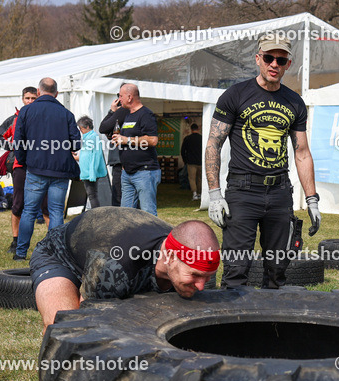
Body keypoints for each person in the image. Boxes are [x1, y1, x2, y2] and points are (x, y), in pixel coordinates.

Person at [206, 32, 321, 289]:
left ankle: (272, 328)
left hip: (280, 192)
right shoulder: (235, 95)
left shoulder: (295, 102)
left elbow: (301, 152)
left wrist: (312, 199)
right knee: (236, 270)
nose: (274, 65)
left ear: (288, 64)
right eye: (269, 58)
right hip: (243, 191)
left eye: (280, 60)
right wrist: (214, 194)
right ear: (258, 58)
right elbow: (214, 142)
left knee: (277, 271)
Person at [30, 207, 219, 330]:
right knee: (66, 327)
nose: (201, 286)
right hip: (60, 254)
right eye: (194, 275)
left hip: (105, 251)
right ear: (170, 257)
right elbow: (87, 325)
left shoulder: (199, 262)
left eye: (207, 277)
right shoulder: (114, 268)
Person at [13, 77, 80, 260]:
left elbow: (18, 142)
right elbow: (76, 144)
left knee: (29, 211)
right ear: (56, 93)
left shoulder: (26, 111)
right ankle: (55, 253)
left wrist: (24, 161)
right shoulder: (66, 114)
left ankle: (20, 252)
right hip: (60, 170)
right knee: (56, 212)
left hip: (35, 169)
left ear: (38, 91)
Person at [0, 87, 48, 255]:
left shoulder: (44, 117)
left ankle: (53, 241)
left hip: (41, 166)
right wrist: (12, 147)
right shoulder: (14, 119)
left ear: (38, 98)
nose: (30, 101)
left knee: (46, 205)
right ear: (22, 99)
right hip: (20, 167)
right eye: (27, 98)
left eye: (33, 98)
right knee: (18, 204)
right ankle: (15, 241)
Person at [99, 83, 159, 215]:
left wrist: (127, 140)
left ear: (130, 97)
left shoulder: (145, 114)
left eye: (121, 96)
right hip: (127, 173)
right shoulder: (126, 115)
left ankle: (156, 236)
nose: (119, 99)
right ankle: (130, 236)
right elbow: (104, 128)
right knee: (125, 214)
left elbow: (153, 140)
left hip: (145, 171)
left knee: (148, 213)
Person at [75, 116, 107, 209]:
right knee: (91, 195)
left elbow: (95, 156)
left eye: (81, 128)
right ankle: (95, 214)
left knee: (92, 195)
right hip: (87, 172)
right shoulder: (88, 138)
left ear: (87, 127)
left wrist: (92, 173)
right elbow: (86, 155)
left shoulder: (92, 137)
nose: (80, 130)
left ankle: (96, 215)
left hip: (90, 172)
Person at [181, 122, 202, 201]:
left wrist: (185, 160)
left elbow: (183, 151)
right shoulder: (202, 138)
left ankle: (194, 194)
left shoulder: (187, 138)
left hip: (191, 162)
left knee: (192, 179)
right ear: (198, 129)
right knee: (200, 178)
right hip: (200, 162)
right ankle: (200, 193)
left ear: (191, 129)